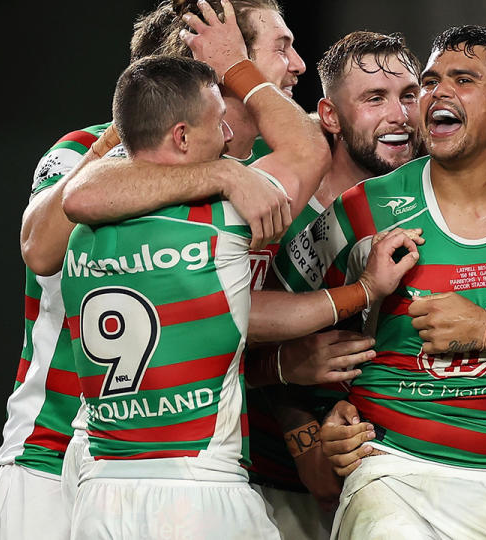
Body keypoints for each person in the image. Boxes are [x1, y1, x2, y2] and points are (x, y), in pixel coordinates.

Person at [279, 25, 486, 539]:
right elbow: (253, 319)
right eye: (431, 80)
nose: (439, 92)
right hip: (388, 471)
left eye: (463, 79)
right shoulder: (363, 209)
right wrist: (307, 433)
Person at [60, 52, 417, 539]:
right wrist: (366, 290)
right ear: (183, 136)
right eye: (218, 124)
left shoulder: (80, 234)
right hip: (200, 491)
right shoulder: (220, 219)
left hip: (99, 491)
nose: (230, 138)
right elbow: (308, 149)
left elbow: (79, 192)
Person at [247, 30, 425, 538]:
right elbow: (207, 328)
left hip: (392, 478)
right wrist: (294, 411)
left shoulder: (439, 195)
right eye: (374, 99)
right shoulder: (271, 195)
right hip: (266, 483)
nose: (400, 116)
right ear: (328, 115)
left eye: (408, 95)